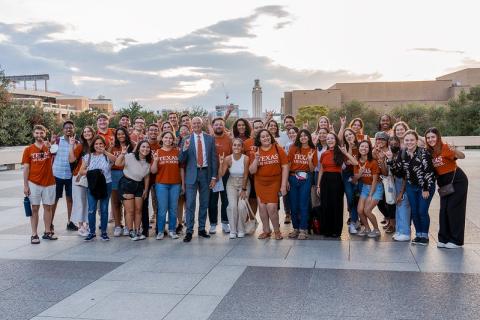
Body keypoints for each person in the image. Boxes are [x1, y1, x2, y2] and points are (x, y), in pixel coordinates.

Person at [387, 130, 435, 245]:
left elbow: (428, 172)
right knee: (414, 211)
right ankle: (418, 235)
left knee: (422, 211)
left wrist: (425, 188)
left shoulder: (423, 152)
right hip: (411, 186)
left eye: (412, 140)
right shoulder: (403, 153)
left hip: (424, 187)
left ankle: (425, 235)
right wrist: (390, 160)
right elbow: (398, 172)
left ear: (417, 141)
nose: (409, 142)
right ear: (404, 141)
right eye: (407, 140)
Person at [425, 128, 468, 249]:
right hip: (444, 183)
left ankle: (456, 241)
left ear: (438, 137)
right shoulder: (430, 152)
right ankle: (443, 238)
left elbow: (462, 156)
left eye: (433, 137)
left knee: (454, 210)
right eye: (428, 137)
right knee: (444, 210)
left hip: (457, 181)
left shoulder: (445, 147)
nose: (430, 139)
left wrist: (455, 150)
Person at [179, 117, 218, 242]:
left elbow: (214, 159)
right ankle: (189, 231)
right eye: (194, 123)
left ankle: (201, 229)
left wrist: (213, 177)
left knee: (204, 203)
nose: (196, 125)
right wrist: (184, 148)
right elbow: (181, 160)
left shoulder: (209, 139)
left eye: (198, 123)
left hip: (205, 174)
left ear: (202, 125)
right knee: (190, 204)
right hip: (191, 174)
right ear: (191, 125)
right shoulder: (186, 139)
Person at [249, 129, 289, 240]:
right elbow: (252, 171)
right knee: (262, 208)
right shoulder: (256, 151)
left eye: (267, 136)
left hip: (274, 181)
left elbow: (285, 166)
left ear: (270, 137)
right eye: (263, 137)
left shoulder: (277, 148)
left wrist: (283, 185)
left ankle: (277, 231)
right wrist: (256, 160)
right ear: (259, 139)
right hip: (260, 182)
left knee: (271, 207)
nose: (265, 138)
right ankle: (266, 230)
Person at [316, 132, 357, 238]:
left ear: (336, 140)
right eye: (328, 138)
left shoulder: (341, 152)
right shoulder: (324, 153)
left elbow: (355, 163)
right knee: (325, 205)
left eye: (332, 138)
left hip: (337, 180)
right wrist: (318, 185)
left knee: (336, 205)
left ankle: (336, 230)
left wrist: (346, 153)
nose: (329, 140)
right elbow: (321, 169)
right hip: (325, 180)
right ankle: (327, 230)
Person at [22, 125, 57, 244]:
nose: (39, 135)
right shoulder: (28, 149)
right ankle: (34, 234)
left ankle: (47, 232)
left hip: (49, 182)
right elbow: (26, 168)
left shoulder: (49, 147)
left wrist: (51, 146)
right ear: (33, 134)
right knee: (34, 208)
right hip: (34, 183)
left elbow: (56, 153)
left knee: (48, 207)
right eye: (37, 133)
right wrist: (26, 185)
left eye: (41, 133)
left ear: (44, 134)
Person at [79, 135, 116, 241]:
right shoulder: (88, 156)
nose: (98, 146)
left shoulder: (106, 156)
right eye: (96, 144)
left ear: (104, 145)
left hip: (106, 184)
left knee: (104, 209)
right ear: (93, 145)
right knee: (91, 209)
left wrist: (105, 151)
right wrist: (93, 173)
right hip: (93, 185)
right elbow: (81, 171)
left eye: (101, 144)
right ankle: (91, 232)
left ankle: (104, 232)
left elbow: (116, 160)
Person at [116, 140, 151, 241]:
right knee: (130, 210)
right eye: (143, 147)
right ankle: (130, 231)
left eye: (147, 147)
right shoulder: (130, 156)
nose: (145, 149)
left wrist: (146, 189)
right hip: (127, 184)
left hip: (140, 185)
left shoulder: (148, 161)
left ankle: (137, 230)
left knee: (139, 210)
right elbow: (118, 164)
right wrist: (122, 154)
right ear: (139, 148)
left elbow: (147, 177)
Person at [151, 131, 183, 240]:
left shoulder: (177, 152)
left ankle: (172, 230)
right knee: (162, 209)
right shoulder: (158, 152)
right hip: (161, 184)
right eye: (166, 137)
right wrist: (155, 161)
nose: (168, 140)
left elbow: (181, 169)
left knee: (173, 208)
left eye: (170, 138)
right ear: (162, 139)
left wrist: (182, 184)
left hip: (175, 184)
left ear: (173, 140)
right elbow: (153, 171)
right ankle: (160, 231)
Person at [287, 129, 317, 240]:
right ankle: (295, 228)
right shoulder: (293, 148)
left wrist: (309, 159)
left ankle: (303, 229)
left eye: (305, 135)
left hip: (306, 178)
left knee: (303, 204)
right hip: (292, 177)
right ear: (298, 137)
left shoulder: (313, 150)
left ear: (309, 137)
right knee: (293, 205)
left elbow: (312, 169)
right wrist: (285, 180)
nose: (303, 137)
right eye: (301, 136)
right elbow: (288, 164)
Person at [220, 138, 250, 239]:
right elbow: (221, 174)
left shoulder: (245, 158)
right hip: (231, 183)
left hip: (244, 183)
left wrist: (244, 189)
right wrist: (221, 163)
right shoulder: (228, 158)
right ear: (232, 147)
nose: (236, 147)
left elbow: (246, 175)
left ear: (242, 147)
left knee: (241, 207)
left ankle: (241, 229)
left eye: (238, 145)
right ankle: (233, 230)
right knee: (232, 206)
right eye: (234, 145)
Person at [353, 140, 383, 238]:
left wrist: (370, 195)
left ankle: (377, 230)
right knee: (360, 210)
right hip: (365, 187)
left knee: (367, 210)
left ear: (369, 149)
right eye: (362, 146)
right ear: (359, 148)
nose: (364, 148)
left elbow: (375, 180)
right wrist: (360, 173)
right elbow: (354, 179)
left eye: (366, 147)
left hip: (376, 187)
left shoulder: (372, 162)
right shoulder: (356, 162)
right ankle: (367, 229)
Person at [51, 120, 77, 232]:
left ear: (74, 129)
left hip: (70, 175)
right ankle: (50, 222)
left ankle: (70, 222)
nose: (68, 129)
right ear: (63, 129)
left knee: (70, 199)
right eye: (66, 127)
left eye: (70, 127)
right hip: (57, 174)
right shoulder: (57, 140)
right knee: (55, 199)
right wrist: (51, 144)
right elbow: (50, 153)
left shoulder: (76, 142)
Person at [69, 126, 94, 237]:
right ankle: (80, 226)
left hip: (92, 176)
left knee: (90, 202)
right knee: (79, 201)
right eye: (85, 132)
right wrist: (71, 145)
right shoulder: (80, 146)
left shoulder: (97, 145)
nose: (87, 133)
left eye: (89, 131)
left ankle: (88, 224)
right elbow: (71, 159)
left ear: (93, 133)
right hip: (79, 176)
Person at [208, 118, 232, 234]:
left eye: (221, 125)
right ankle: (212, 224)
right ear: (213, 127)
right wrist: (215, 174)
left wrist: (223, 170)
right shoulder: (209, 139)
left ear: (224, 126)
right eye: (216, 124)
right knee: (212, 201)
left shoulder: (229, 139)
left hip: (226, 173)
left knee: (225, 199)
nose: (218, 126)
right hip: (212, 174)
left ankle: (225, 223)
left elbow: (232, 156)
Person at [110, 127, 135, 236]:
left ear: (126, 134)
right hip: (114, 175)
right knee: (115, 202)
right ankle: (117, 225)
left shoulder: (132, 145)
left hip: (127, 175)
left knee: (126, 202)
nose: (121, 136)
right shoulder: (113, 147)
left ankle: (126, 225)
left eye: (123, 134)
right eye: (118, 134)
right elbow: (109, 161)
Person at [387, 136, 411, 242]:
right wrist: (390, 159)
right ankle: (400, 230)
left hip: (403, 183)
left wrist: (401, 191)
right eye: (391, 144)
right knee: (399, 206)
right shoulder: (393, 154)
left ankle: (405, 232)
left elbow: (406, 175)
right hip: (397, 181)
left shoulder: (404, 153)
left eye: (395, 143)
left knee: (403, 205)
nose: (393, 145)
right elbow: (394, 171)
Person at [373, 131, 396, 233]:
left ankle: (392, 224)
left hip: (391, 180)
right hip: (380, 180)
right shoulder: (375, 151)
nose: (380, 141)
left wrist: (382, 159)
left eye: (382, 139)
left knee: (390, 202)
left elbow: (387, 172)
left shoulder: (390, 151)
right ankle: (387, 218)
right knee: (380, 202)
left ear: (387, 141)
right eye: (378, 139)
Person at [143, 124, 161, 237]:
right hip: (145, 178)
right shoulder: (144, 145)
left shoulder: (161, 146)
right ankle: (144, 229)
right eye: (151, 130)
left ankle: (159, 228)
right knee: (144, 203)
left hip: (158, 178)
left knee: (158, 204)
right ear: (147, 131)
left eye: (155, 130)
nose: (153, 132)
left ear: (158, 132)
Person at [243, 120, 264, 219]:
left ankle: (268, 227)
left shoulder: (269, 141)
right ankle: (250, 222)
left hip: (265, 176)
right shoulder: (247, 143)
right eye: (256, 127)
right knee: (252, 200)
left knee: (267, 203)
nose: (259, 129)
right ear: (253, 129)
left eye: (261, 127)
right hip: (251, 176)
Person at [341, 128, 360, 234]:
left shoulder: (361, 145)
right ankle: (353, 221)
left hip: (359, 175)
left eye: (350, 134)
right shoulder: (344, 148)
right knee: (350, 197)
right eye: (346, 135)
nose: (348, 136)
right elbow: (349, 162)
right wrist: (349, 146)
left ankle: (357, 219)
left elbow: (357, 163)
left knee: (359, 198)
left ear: (354, 134)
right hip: (347, 175)